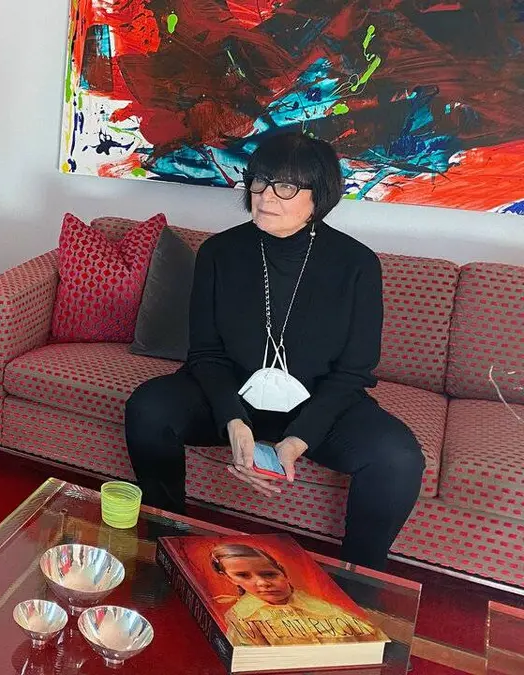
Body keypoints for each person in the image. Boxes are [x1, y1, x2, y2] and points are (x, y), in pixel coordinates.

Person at [124, 131, 425, 570]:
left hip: (317, 403)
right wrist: (233, 421)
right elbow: (205, 353)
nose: (265, 196)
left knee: (397, 458)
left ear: (319, 195)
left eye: (285, 186)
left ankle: (360, 579)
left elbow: (353, 372)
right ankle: (167, 542)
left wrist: (300, 438)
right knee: (149, 408)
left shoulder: (357, 265)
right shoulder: (219, 252)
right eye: (260, 181)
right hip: (231, 392)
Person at [210, 543, 381, 646]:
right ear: (230, 578)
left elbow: (370, 635)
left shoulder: (318, 603)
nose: (262, 583)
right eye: (243, 576)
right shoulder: (244, 618)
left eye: (269, 574)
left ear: (282, 572)